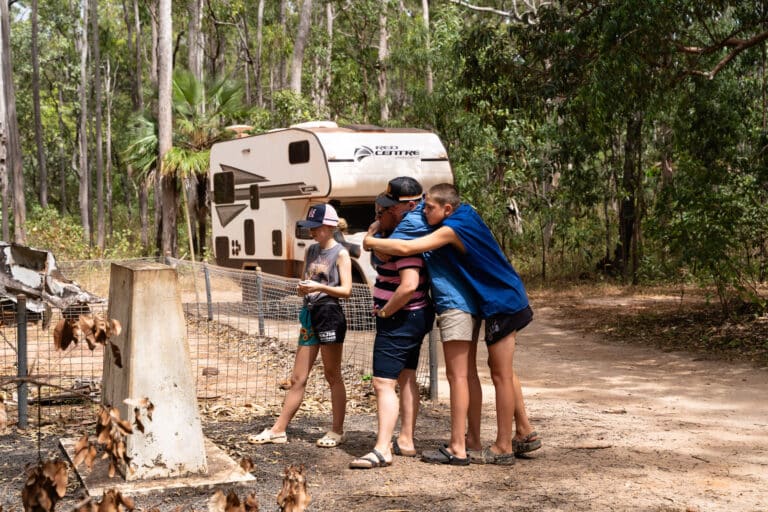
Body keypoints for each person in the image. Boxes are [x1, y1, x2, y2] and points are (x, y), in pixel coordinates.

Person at [364, 183, 540, 465]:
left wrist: (370, 240)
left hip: (502, 299)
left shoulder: (451, 228)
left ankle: (502, 446)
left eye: (429, 207)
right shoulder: (463, 212)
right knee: (500, 372)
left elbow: (406, 246)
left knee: (499, 375)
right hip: (493, 298)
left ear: (447, 208)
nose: (424, 210)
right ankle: (520, 432)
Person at [249, 203, 352, 448]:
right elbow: (308, 280)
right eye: (310, 228)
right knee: (298, 377)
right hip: (309, 313)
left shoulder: (340, 253)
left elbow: (346, 290)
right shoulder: (311, 251)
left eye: (315, 228)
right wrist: (302, 288)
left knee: (331, 374)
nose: (312, 232)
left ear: (329, 227)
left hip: (329, 313)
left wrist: (319, 287)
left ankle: (337, 430)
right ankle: (278, 430)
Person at [350, 177, 435, 469]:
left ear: (405, 208)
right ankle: (406, 440)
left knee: (382, 383)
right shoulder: (402, 233)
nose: (377, 215)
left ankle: (382, 447)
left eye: (382, 211)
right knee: (406, 377)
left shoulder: (405, 238)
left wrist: (386, 312)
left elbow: (408, 284)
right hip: (417, 315)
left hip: (401, 316)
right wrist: (374, 230)